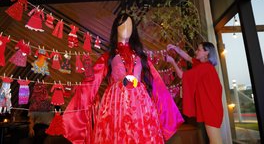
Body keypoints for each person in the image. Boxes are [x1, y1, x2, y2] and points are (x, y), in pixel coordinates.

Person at [63, 13, 184, 143]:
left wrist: (169, 113)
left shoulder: (141, 56)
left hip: (140, 106)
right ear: (116, 28)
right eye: (122, 24)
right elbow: (90, 83)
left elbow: (157, 84)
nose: (126, 28)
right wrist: (74, 113)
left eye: (129, 25)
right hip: (115, 106)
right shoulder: (108, 57)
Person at [166, 42, 223, 144]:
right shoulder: (203, 65)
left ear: (206, 53)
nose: (196, 51)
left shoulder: (205, 68)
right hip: (210, 107)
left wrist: (172, 62)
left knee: (215, 141)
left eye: (199, 50)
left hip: (211, 109)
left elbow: (182, 76)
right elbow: (188, 57)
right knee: (214, 140)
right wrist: (175, 48)